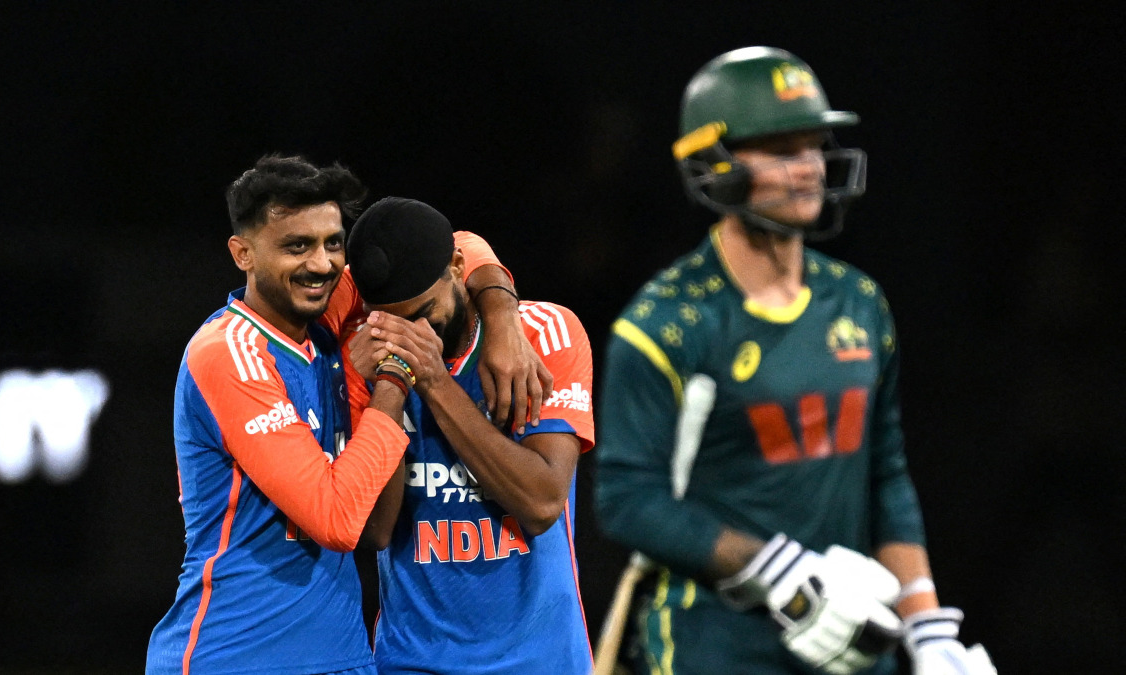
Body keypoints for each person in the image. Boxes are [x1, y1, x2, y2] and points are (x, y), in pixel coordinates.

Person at [594, 47, 996, 675]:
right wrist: (775, 570)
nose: (809, 168)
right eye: (783, 150)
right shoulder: (665, 324)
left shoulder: (859, 303)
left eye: (814, 146)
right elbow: (627, 498)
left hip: (853, 637)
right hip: (712, 641)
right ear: (714, 164)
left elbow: (884, 474)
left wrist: (926, 626)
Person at [146, 155, 547, 675]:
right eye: (296, 246)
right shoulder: (230, 354)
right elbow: (336, 521)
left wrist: (502, 316)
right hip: (237, 654)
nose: (321, 264)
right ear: (242, 253)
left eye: (332, 243)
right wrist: (395, 377)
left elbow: (447, 245)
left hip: (343, 658)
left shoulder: (325, 320)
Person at [343, 197, 596, 675]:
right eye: (395, 323)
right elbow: (376, 531)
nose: (415, 336)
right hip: (411, 662)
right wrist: (387, 387)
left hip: (540, 662)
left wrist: (437, 382)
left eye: (424, 314)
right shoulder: (367, 352)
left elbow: (542, 503)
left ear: (457, 269)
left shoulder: (545, 334)